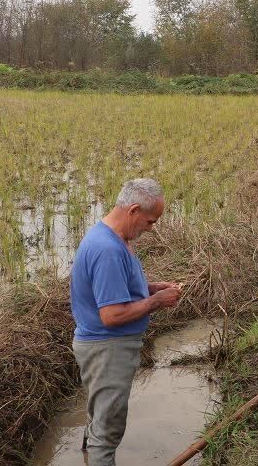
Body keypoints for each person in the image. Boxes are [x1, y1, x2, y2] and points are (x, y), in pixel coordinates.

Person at [70, 178, 182, 465]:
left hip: (103, 348)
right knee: (107, 434)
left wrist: (150, 289)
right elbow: (112, 315)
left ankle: (87, 454)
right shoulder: (107, 249)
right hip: (108, 350)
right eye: (150, 221)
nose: (151, 228)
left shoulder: (114, 238)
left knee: (100, 417)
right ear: (133, 210)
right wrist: (156, 302)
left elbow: (114, 291)